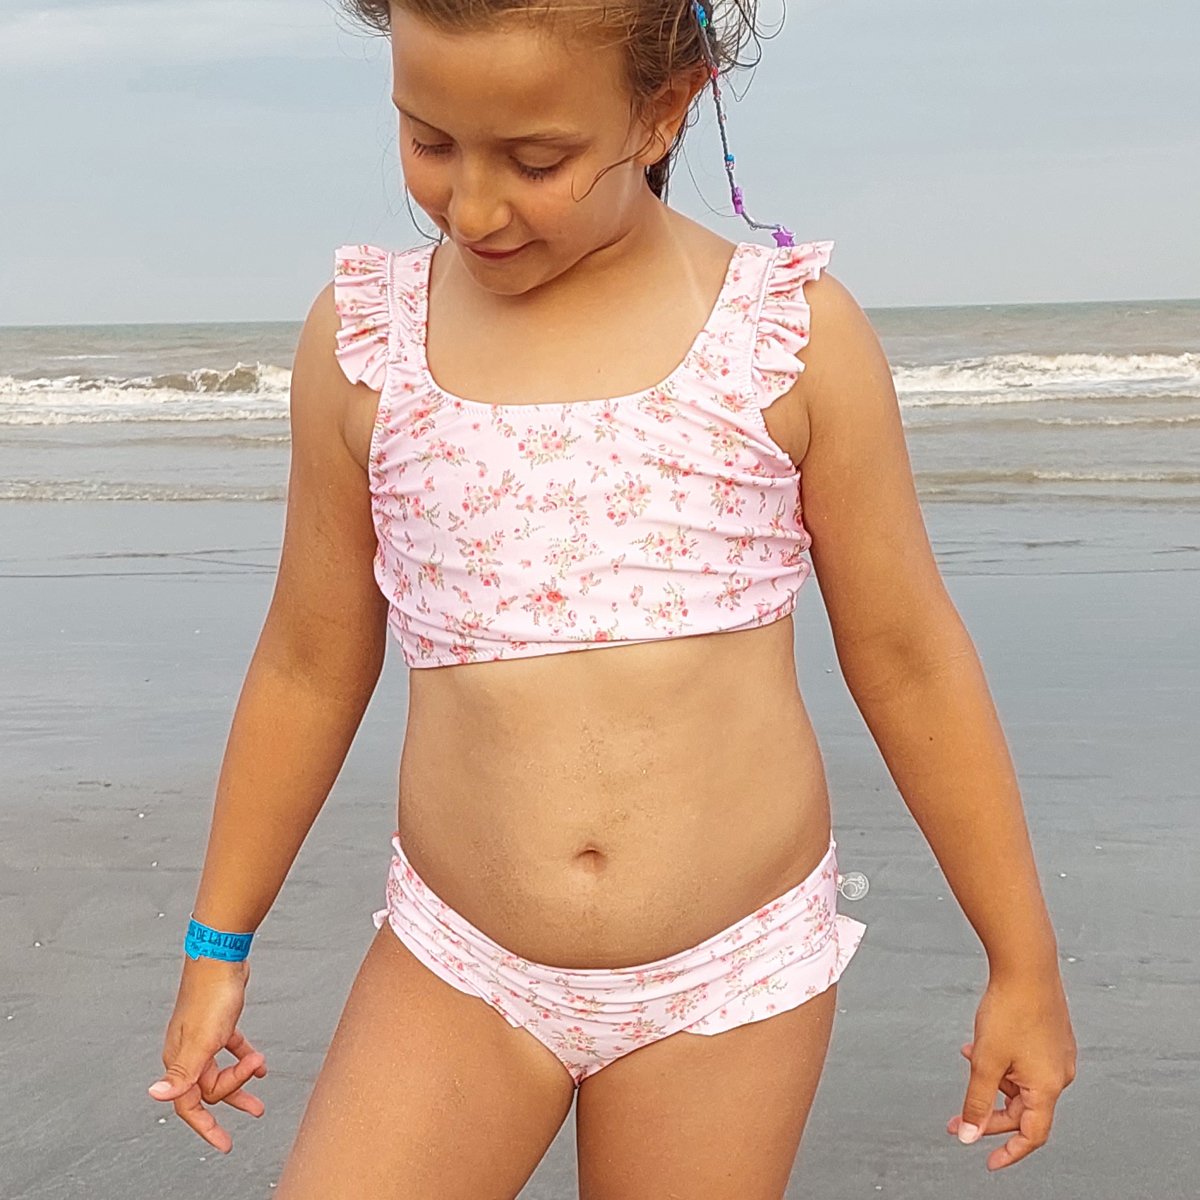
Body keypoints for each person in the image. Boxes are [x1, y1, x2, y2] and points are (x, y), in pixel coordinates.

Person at [148, 0, 1077, 1194]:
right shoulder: (369, 346)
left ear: (663, 108)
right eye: (429, 140)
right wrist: (216, 943)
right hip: (460, 964)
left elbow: (908, 656)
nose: (473, 207)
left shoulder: (788, 338)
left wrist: (1022, 961)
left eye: (535, 161)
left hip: (728, 983)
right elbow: (307, 663)